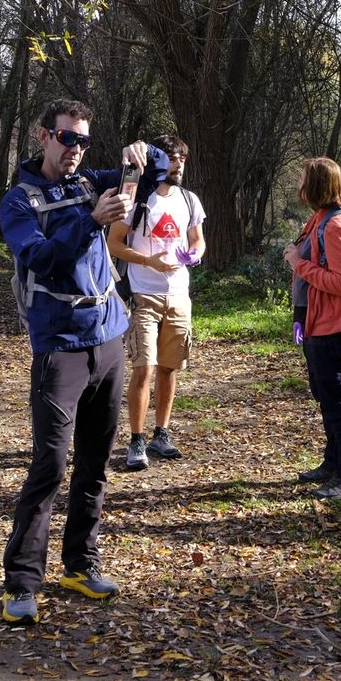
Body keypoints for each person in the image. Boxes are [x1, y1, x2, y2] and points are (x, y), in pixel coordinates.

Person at [0, 98, 149, 625]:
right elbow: (38, 256)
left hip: (108, 340)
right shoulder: (19, 202)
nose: (76, 150)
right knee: (50, 466)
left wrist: (139, 157)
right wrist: (90, 220)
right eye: (67, 139)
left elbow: (148, 173)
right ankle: (21, 582)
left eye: (84, 141)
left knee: (94, 464)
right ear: (44, 137)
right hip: (58, 348)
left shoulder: (89, 183)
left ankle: (81, 564)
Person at [109, 134, 207, 470]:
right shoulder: (137, 197)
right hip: (143, 294)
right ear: (156, 162)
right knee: (143, 368)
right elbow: (114, 244)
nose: (177, 165)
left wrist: (194, 255)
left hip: (179, 294)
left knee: (170, 367)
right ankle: (136, 440)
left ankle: (161, 434)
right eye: (170, 159)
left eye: (181, 159)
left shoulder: (190, 200)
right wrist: (149, 262)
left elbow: (198, 240)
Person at [282, 157, 341, 501]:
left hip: (336, 326)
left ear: (316, 184)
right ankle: (332, 464)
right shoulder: (318, 218)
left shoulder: (337, 226)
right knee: (326, 396)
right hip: (316, 325)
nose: (298, 184)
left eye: (303, 178)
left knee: (338, 399)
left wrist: (297, 264)